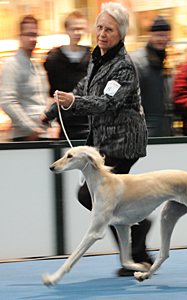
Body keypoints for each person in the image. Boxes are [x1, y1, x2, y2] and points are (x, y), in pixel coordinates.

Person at [41, 2, 151, 276]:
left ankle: (137, 241)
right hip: (104, 141)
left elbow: (106, 103)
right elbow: (82, 87)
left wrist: (74, 103)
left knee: (92, 196)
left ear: (121, 34)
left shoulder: (125, 66)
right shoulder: (98, 57)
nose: (102, 33)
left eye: (109, 29)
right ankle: (137, 241)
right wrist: (56, 109)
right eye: (99, 27)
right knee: (106, 200)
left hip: (124, 143)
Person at [41, 11, 91, 140]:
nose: (77, 33)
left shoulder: (91, 57)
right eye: (73, 29)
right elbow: (49, 91)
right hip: (63, 123)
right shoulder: (54, 58)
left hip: (88, 122)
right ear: (66, 30)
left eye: (80, 29)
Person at [0, 15, 50, 141]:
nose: (32, 39)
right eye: (28, 35)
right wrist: (31, 127)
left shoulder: (37, 66)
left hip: (42, 134)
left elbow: (43, 99)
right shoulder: (11, 64)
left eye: (35, 35)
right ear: (20, 37)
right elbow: (7, 101)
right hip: (24, 137)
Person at [130, 16, 173, 137]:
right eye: (157, 35)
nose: (161, 39)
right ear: (150, 35)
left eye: (164, 35)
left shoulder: (164, 60)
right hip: (145, 129)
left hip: (164, 128)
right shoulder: (138, 61)